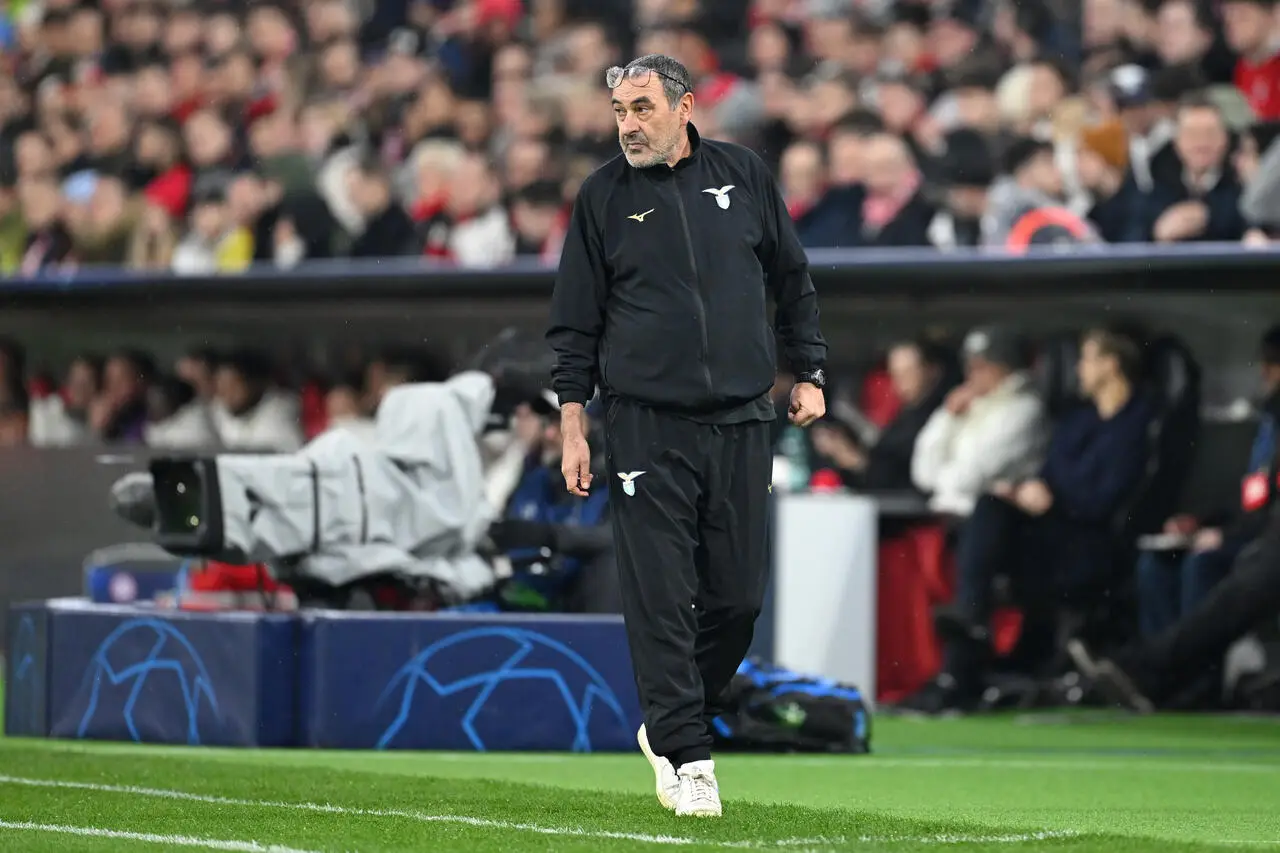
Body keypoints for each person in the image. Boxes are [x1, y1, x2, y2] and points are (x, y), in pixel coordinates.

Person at [546, 54, 827, 818]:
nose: (628, 125)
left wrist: (810, 372)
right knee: (664, 600)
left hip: (742, 419)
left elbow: (792, 278)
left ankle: (667, 720)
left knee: (737, 599)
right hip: (643, 425)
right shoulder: (601, 196)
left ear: (684, 106)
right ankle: (688, 753)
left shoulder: (744, 175)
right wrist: (574, 423)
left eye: (642, 108)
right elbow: (574, 323)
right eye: (619, 112)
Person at [901, 326, 1153, 713]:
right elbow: (1054, 474)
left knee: (993, 519)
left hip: (1092, 539)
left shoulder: (1134, 423)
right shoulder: (1079, 418)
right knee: (992, 505)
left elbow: (1101, 497)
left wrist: (1052, 495)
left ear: (1110, 364)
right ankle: (966, 642)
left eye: (1087, 358)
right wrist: (1031, 491)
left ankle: (964, 655)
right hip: (1055, 528)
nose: (1080, 369)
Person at [1135, 325, 1280, 638]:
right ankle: (1155, 660)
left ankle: (1196, 676)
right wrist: (1201, 522)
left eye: (1273, 362)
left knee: (1201, 564)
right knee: (1155, 565)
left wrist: (1224, 535)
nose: (1265, 372)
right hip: (1245, 529)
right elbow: (1250, 494)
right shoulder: (1268, 425)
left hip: (1266, 543)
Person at [911, 326, 1048, 518]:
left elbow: (969, 478)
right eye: (970, 365)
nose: (972, 374)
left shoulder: (1024, 409)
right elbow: (922, 473)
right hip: (949, 517)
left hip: (991, 524)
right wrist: (947, 416)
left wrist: (941, 480)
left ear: (1006, 367)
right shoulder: (966, 404)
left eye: (982, 366)